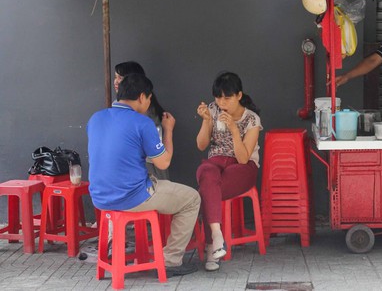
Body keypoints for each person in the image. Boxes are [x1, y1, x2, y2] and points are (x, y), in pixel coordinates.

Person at [87, 73, 200, 276]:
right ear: (141, 97)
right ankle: (170, 261)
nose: (148, 103)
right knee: (192, 198)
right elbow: (164, 162)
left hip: (100, 197)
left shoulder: (96, 118)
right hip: (132, 196)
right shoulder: (142, 123)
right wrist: (168, 130)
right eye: (148, 98)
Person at [195, 72, 262, 272]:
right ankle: (217, 235)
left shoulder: (252, 119)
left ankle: (210, 248)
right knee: (206, 170)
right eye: (218, 97)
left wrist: (233, 128)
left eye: (227, 97)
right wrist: (206, 120)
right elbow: (201, 145)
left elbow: (243, 158)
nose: (221, 102)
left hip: (243, 167)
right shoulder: (213, 110)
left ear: (239, 95)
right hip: (216, 162)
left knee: (208, 192)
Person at [114, 61, 169, 180]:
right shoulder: (118, 111)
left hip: (147, 174)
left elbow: (161, 161)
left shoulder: (147, 117)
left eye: (120, 78)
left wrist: (168, 130)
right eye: (115, 77)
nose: (116, 81)